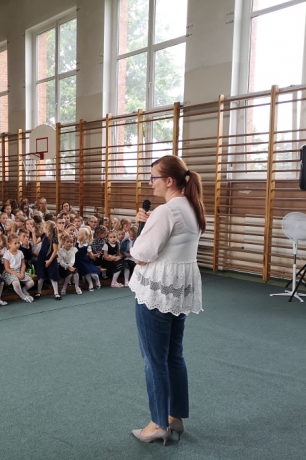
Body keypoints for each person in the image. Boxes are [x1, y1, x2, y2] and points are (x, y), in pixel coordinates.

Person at [129, 155, 205, 445]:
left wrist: (143, 230)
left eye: (154, 177)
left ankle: (158, 423)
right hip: (177, 291)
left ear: (169, 180)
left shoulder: (165, 211)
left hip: (157, 291)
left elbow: (140, 255)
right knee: (174, 355)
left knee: (154, 359)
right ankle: (175, 416)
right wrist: (149, 225)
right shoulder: (191, 206)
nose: (151, 183)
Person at [2, 234, 34, 303]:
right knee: (16, 283)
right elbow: (7, 268)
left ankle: (24, 290)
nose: (17, 245)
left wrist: (22, 273)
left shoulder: (20, 252)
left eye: (18, 243)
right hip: (10, 272)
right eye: (15, 243)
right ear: (9, 244)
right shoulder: (6, 254)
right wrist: (16, 274)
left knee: (31, 283)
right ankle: (23, 296)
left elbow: (23, 265)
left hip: (19, 270)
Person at [35, 220, 60, 300]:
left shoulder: (54, 238)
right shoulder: (43, 235)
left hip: (50, 258)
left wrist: (49, 261)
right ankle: (38, 292)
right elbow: (35, 242)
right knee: (41, 276)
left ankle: (56, 293)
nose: (43, 228)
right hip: (42, 257)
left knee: (52, 275)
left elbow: (55, 251)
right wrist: (32, 232)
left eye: (44, 227)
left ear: (48, 229)